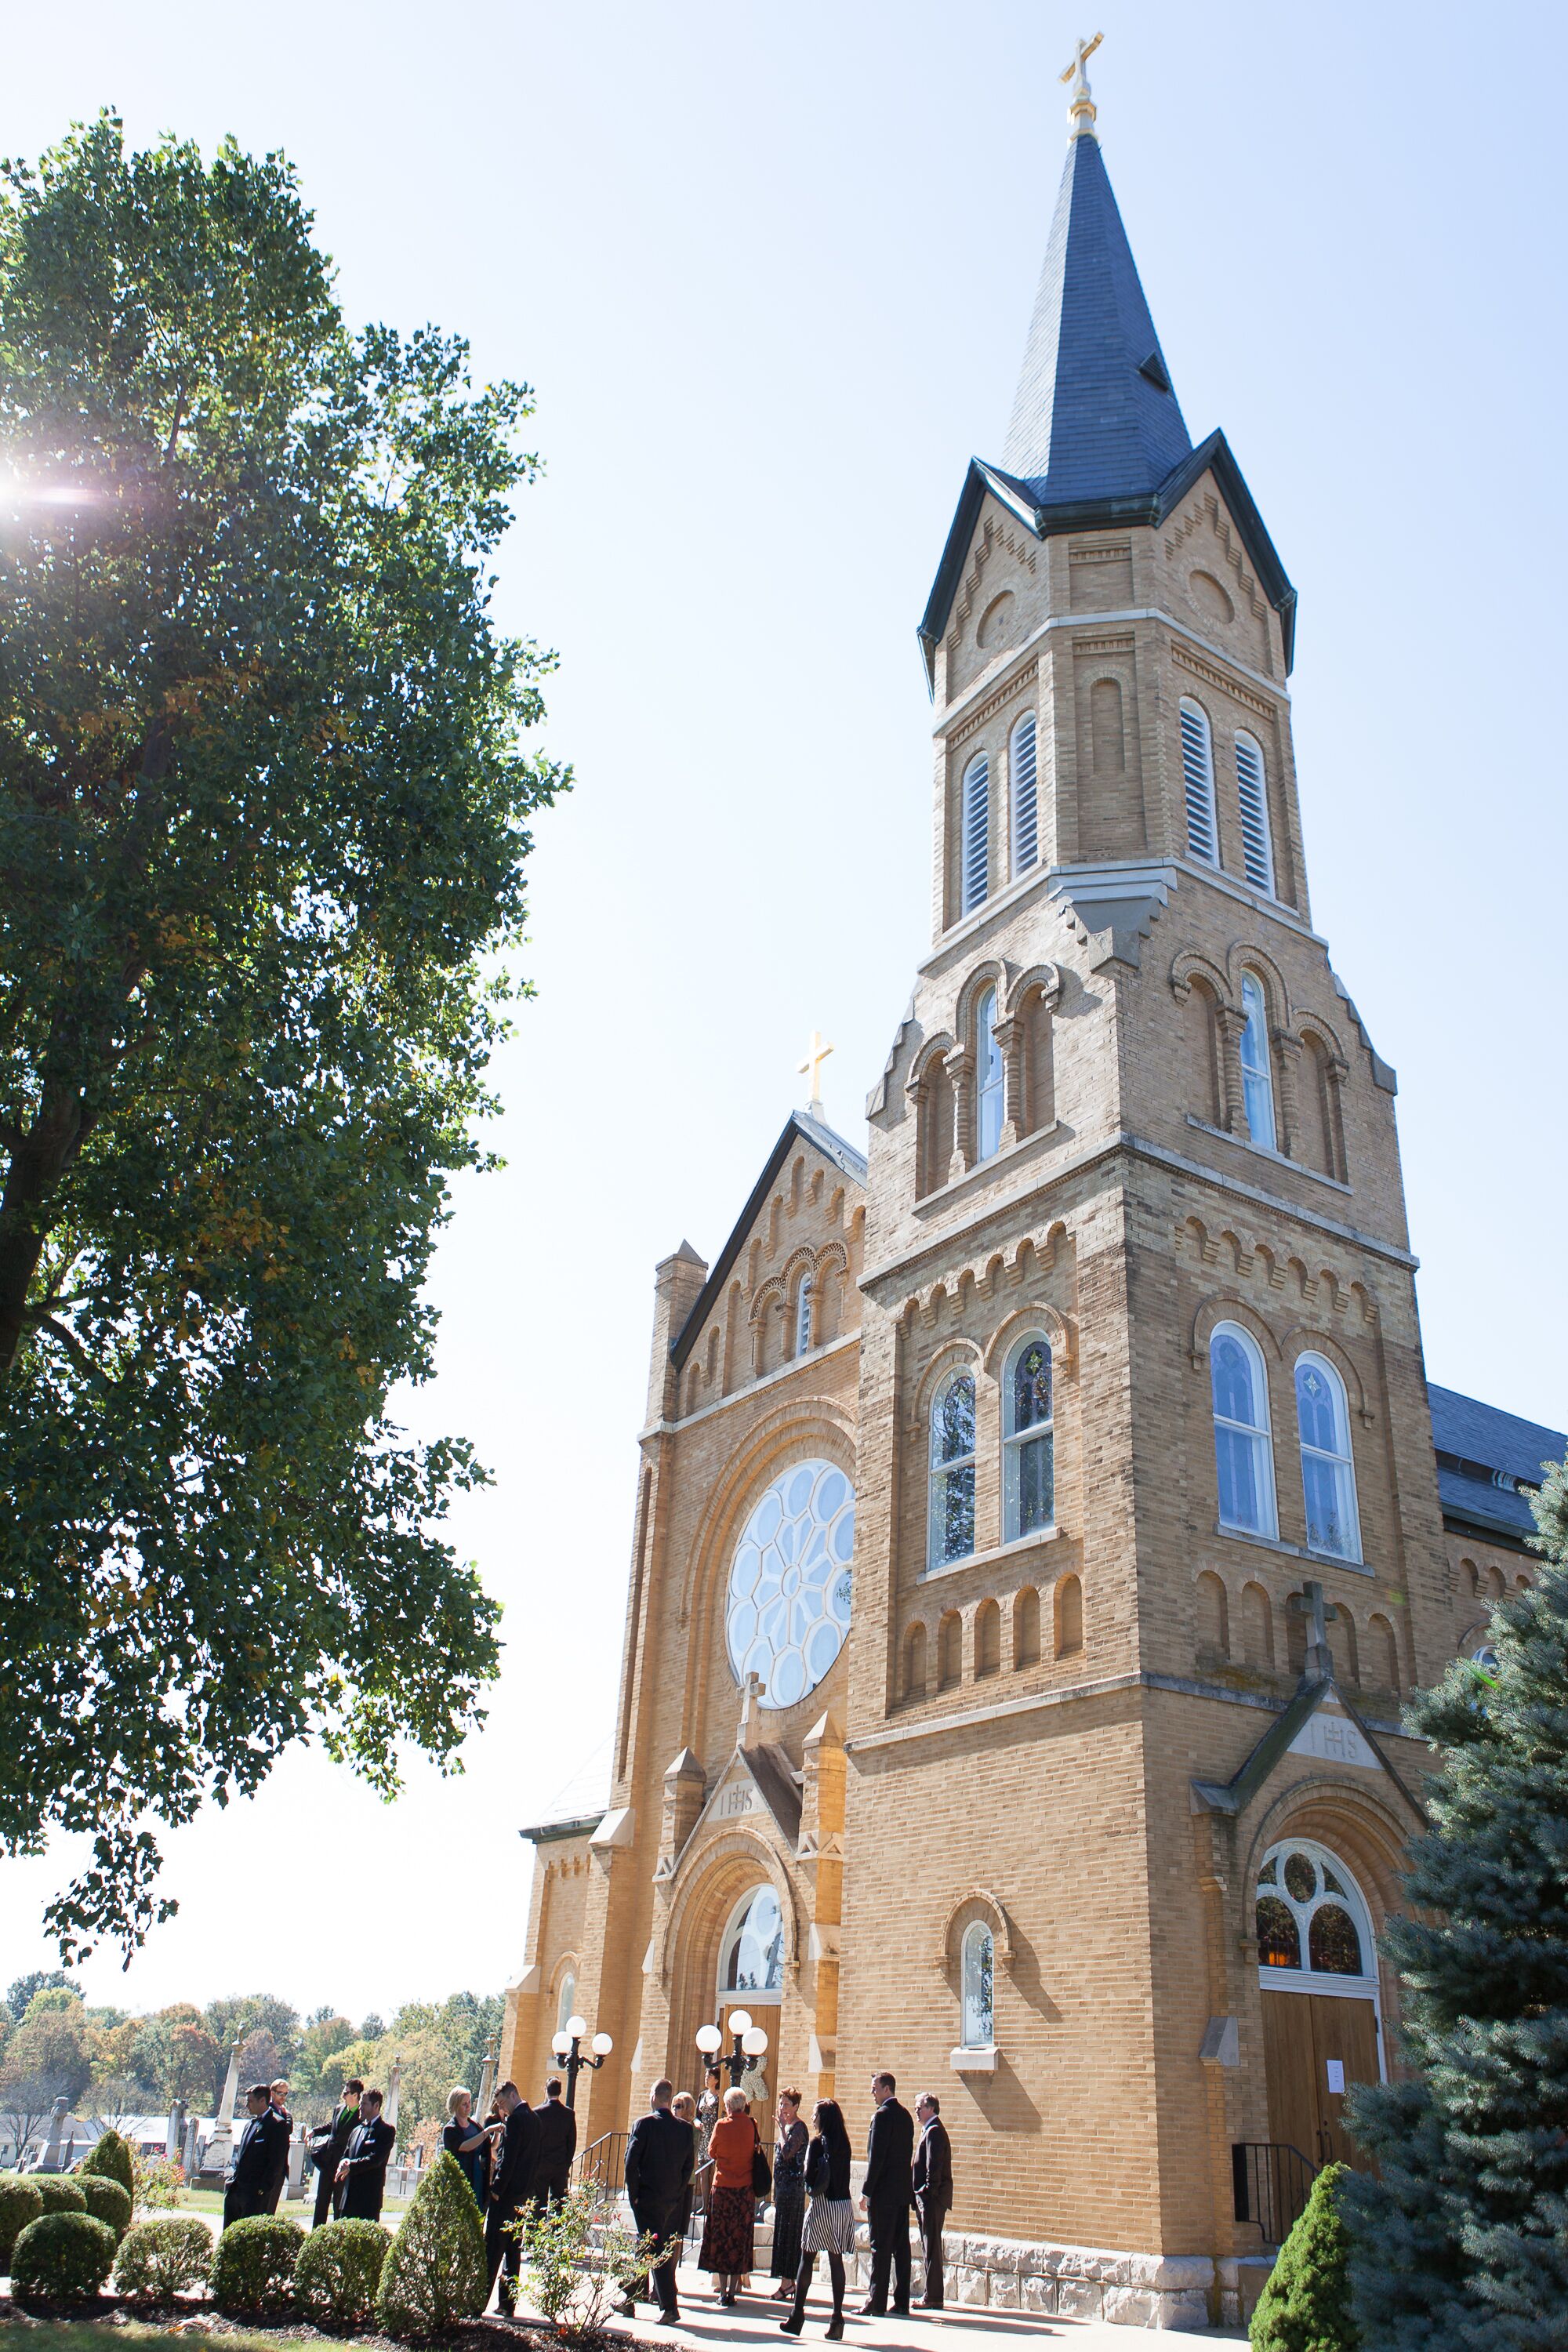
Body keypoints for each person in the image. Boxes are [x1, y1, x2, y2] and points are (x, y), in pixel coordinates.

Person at [621, 2078, 696, 2325]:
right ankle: (630, 2298)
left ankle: (670, 2307)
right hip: (670, 2199)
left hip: (647, 2196)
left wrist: (634, 2194)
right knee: (649, 2244)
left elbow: (631, 2163)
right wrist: (677, 2192)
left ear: (654, 2096)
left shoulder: (643, 2125)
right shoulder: (685, 2129)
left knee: (655, 2249)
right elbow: (688, 2167)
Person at [779, 2098, 855, 2342]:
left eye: (815, 2114)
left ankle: (797, 2315)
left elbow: (808, 2176)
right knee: (836, 2261)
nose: (812, 2118)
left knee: (807, 2257)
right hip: (843, 2205)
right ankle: (837, 2319)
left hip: (822, 2204)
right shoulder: (844, 2144)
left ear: (824, 2118)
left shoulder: (817, 2143)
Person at [699, 2084, 760, 2307]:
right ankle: (734, 2291)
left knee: (722, 2238)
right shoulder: (752, 2125)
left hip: (723, 2188)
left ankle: (722, 2291)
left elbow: (712, 2152)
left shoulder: (721, 2126)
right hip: (744, 2190)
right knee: (739, 2238)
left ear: (727, 2106)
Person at [858, 2072, 913, 2317]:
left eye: (875, 2088)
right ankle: (902, 2301)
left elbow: (877, 2158)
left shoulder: (882, 2116)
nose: (872, 2093)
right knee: (901, 2249)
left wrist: (866, 2192)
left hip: (883, 2195)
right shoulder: (906, 2116)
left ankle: (876, 2302)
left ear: (887, 2089)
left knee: (879, 2247)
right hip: (901, 2193)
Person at [485, 2081, 537, 2314]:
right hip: (523, 2195)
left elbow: (508, 2159)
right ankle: (508, 2304)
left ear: (514, 2095)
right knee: (513, 2251)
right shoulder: (535, 2119)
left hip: (506, 2195)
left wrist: (496, 2189)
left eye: (503, 2103)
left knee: (493, 2249)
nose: (502, 2110)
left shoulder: (516, 2120)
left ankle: (479, 2301)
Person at [911, 2092, 953, 2310]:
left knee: (932, 2246)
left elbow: (933, 2167)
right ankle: (932, 2294)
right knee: (929, 2246)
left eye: (919, 2107)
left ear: (931, 2108)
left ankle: (933, 2296)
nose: (916, 2111)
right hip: (927, 2199)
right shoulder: (928, 2130)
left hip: (931, 2200)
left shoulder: (934, 2131)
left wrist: (926, 2193)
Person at [334, 2086, 396, 2222]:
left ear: (376, 2106)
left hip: (368, 2200)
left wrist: (351, 2165)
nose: (360, 2107)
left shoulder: (386, 2131)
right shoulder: (356, 2130)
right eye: (360, 2103)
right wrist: (343, 2162)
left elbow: (376, 2159)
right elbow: (346, 2154)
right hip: (348, 2198)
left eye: (364, 2104)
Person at [223, 2085, 281, 2229]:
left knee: (246, 2234)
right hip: (237, 2188)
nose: (247, 2105)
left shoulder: (276, 2124)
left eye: (250, 2101)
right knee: (229, 2232)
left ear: (262, 2101)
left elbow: (276, 2162)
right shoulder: (250, 2124)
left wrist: (262, 2189)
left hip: (254, 2192)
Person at [310, 2078, 364, 2229]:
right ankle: (316, 2234)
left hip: (343, 2166)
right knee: (321, 2202)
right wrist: (315, 2132)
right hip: (328, 2163)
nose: (343, 2096)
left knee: (339, 2206)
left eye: (346, 2093)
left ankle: (337, 2235)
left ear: (355, 2095)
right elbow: (331, 2126)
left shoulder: (361, 2117)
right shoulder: (339, 2109)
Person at [770, 2089, 809, 2296]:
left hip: (793, 2191)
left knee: (789, 2235)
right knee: (783, 2235)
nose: (782, 2108)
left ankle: (787, 2283)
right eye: (781, 2104)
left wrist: (783, 2133)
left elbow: (787, 2154)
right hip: (784, 2191)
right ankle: (787, 2282)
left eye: (786, 2104)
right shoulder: (788, 2128)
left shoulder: (798, 2128)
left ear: (795, 2107)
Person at [530, 2075, 577, 2208]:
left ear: (546, 2090)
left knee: (538, 2204)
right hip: (560, 2166)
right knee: (559, 2205)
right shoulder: (569, 2114)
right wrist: (566, 2164)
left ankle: (536, 2228)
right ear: (560, 2091)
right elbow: (571, 2143)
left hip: (541, 2166)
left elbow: (534, 2141)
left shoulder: (537, 2112)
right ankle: (558, 2228)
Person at [443, 2085, 492, 2209]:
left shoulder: (475, 2126)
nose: (468, 2107)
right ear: (455, 2105)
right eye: (464, 2104)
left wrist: (497, 2134)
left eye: (469, 2102)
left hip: (478, 2176)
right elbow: (465, 2146)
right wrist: (487, 2131)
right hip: (461, 2177)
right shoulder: (450, 2129)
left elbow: (487, 2146)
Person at [695, 2066, 722, 2216]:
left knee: (715, 2172)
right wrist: (696, 2122)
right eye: (706, 2075)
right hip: (703, 2137)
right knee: (703, 2172)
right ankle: (705, 2205)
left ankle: (714, 2205)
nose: (706, 2078)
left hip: (715, 2136)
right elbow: (696, 2115)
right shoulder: (702, 2095)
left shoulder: (720, 2096)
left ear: (716, 2079)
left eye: (709, 2075)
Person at [263, 2078, 293, 2214]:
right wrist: (287, 2116)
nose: (283, 2096)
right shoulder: (268, 2111)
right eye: (280, 2093)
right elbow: (284, 2128)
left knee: (272, 2207)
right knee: (264, 2206)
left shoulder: (283, 2112)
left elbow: (290, 2128)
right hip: (268, 2167)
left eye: (285, 2094)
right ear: (272, 2093)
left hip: (280, 2167)